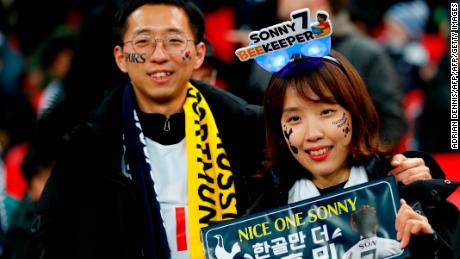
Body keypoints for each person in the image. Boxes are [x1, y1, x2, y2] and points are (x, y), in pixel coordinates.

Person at [32, 1, 264, 258]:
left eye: (174, 41)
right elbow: (52, 241)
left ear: (198, 53)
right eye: (143, 42)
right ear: (120, 58)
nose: (159, 55)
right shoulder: (85, 148)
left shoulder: (247, 129)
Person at [248, 50, 458, 258]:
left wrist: (427, 244)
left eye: (326, 112)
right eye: (294, 119)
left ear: (355, 112)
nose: (312, 134)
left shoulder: (404, 187)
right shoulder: (262, 215)